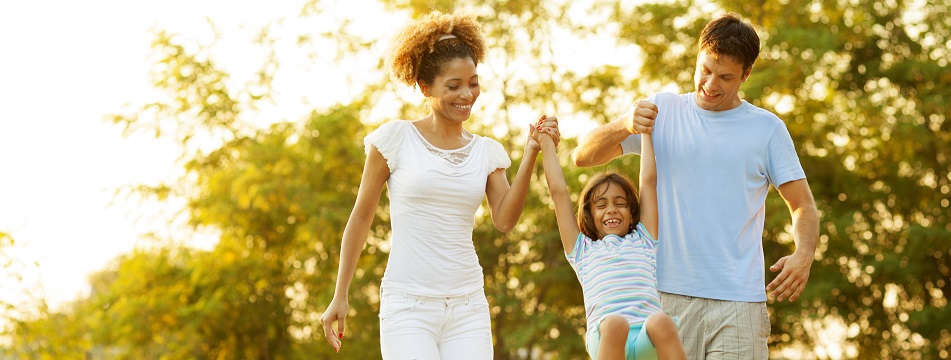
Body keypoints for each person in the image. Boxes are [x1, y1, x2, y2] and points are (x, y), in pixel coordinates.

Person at [573, 12, 821, 359]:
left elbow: (803, 205)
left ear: (745, 74)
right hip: (662, 300)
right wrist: (624, 124)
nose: (710, 84)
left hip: (739, 304)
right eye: (705, 70)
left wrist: (804, 254)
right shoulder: (664, 110)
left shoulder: (767, 129)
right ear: (698, 56)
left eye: (725, 77)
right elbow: (583, 155)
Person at [317, 11, 559, 358]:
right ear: (424, 88)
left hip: (468, 306)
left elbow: (505, 219)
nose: (467, 94)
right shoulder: (395, 138)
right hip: (408, 307)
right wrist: (341, 293)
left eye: (473, 82)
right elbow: (361, 216)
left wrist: (531, 153)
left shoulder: (486, 151)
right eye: (454, 85)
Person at [534, 118, 685, 359]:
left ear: (632, 212)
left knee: (661, 321)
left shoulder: (644, 240)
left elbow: (648, 181)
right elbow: (559, 193)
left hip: (646, 340)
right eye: (601, 205)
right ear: (590, 216)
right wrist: (546, 144)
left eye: (620, 203)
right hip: (607, 338)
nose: (612, 210)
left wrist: (644, 131)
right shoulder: (582, 250)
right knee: (615, 323)